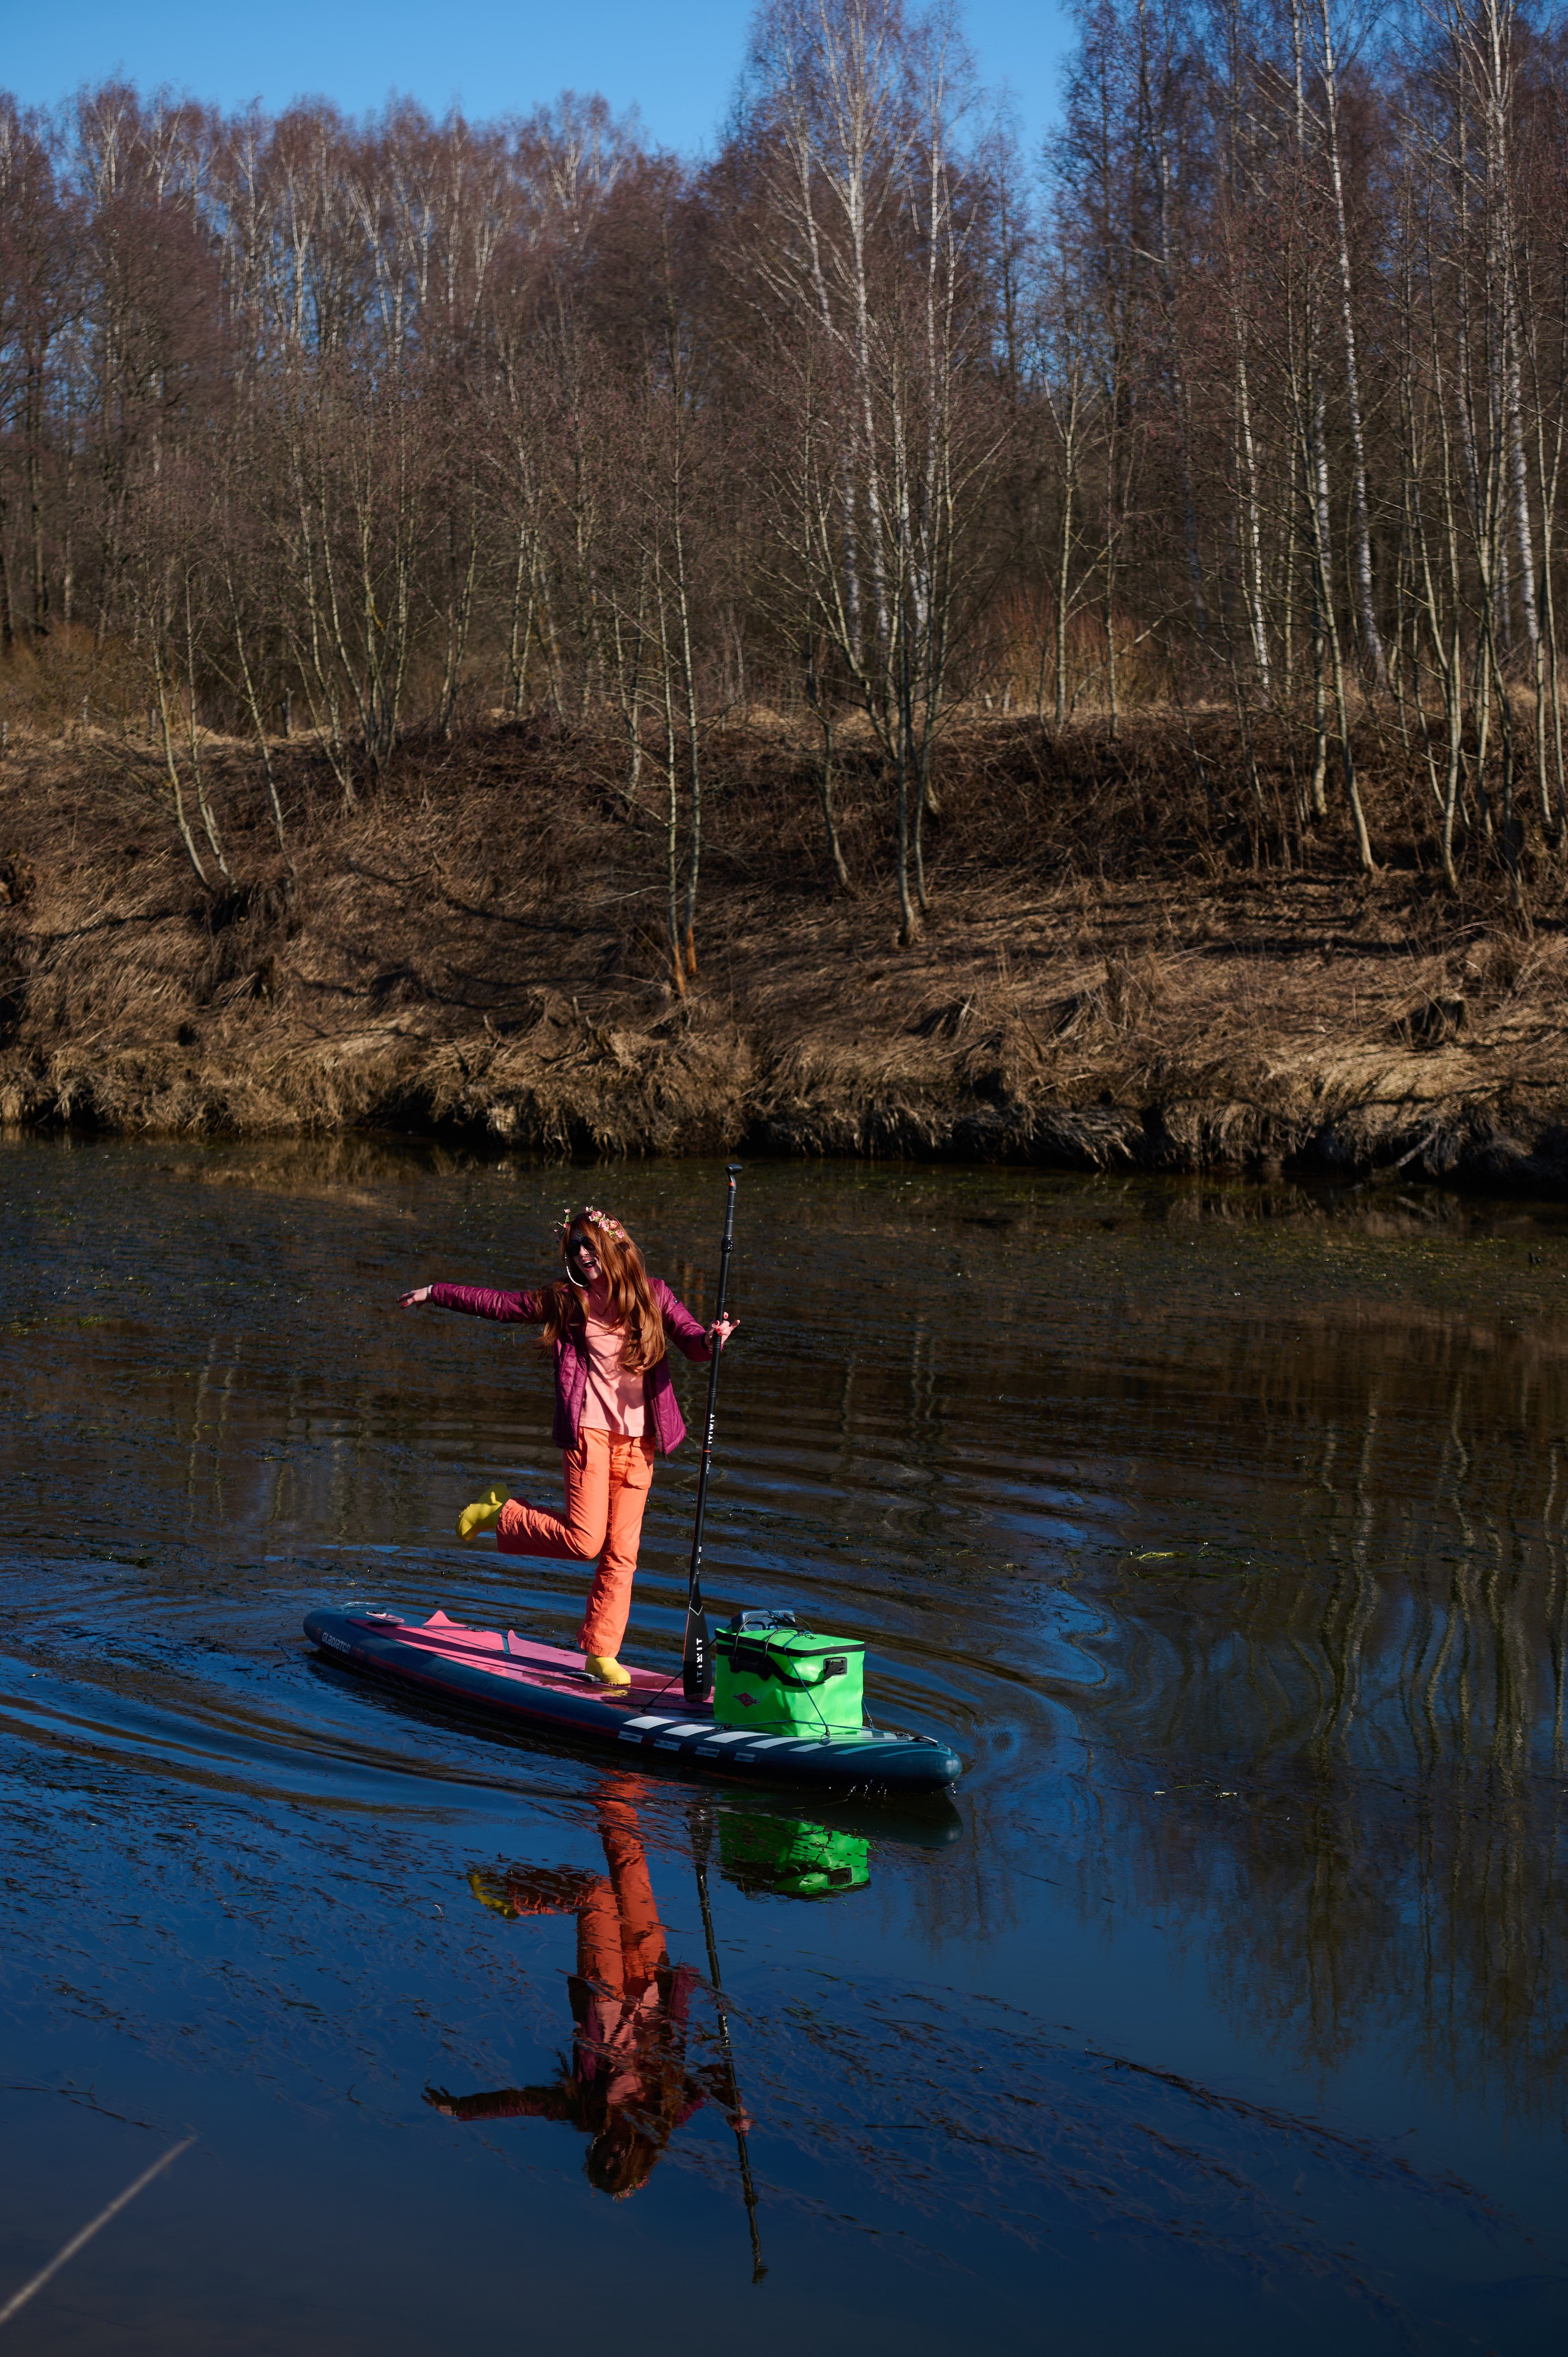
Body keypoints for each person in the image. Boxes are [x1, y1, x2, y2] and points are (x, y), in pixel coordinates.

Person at [400, 1204, 737, 1687]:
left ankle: (601, 1653)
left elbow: (692, 1341)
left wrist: (713, 1338)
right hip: (589, 1434)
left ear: (612, 1246)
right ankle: (502, 1513)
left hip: (639, 1442)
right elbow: (501, 1305)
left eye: (588, 1244)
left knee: (622, 1553)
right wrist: (437, 1292)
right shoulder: (568, 1300)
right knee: (585, 1541)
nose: (581, 1254)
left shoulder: (653, 1293)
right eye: (574, 1247)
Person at [424, 1779, 741, 2200]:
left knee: (595, 1894)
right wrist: (736, 2110)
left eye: (599, 2164)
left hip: (607, 1997)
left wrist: (463, 2109)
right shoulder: (667, 2114)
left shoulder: (588, 2111)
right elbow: (716, 2078)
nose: (607, 2157)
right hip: (654, 1987)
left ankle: (512, 1895)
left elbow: (527, 2103)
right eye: (615, 2167)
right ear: (636, 2163)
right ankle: (615, 1794)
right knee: (631, 1876)